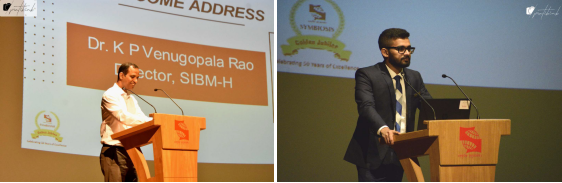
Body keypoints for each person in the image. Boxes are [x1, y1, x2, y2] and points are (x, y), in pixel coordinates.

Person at [343, 28, 432, 182]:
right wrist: (383, 129)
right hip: (373, 151)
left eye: (409, 48)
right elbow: (366, 106)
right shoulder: (368, 74)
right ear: (385, 52)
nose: (407, 53)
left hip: (402, 151)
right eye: (401, 49)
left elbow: (429, 106)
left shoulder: (414, 77)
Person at [99, 62, 152, 182]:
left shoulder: (131, 98)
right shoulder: (110, 95)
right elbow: (123, 117)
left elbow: (140, 117)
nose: (135, 81)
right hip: (114, 150)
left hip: (132, 150)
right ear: (121, 75)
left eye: (137, 78)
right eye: (132, 77)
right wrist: (151, 121)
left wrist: (154, 122)